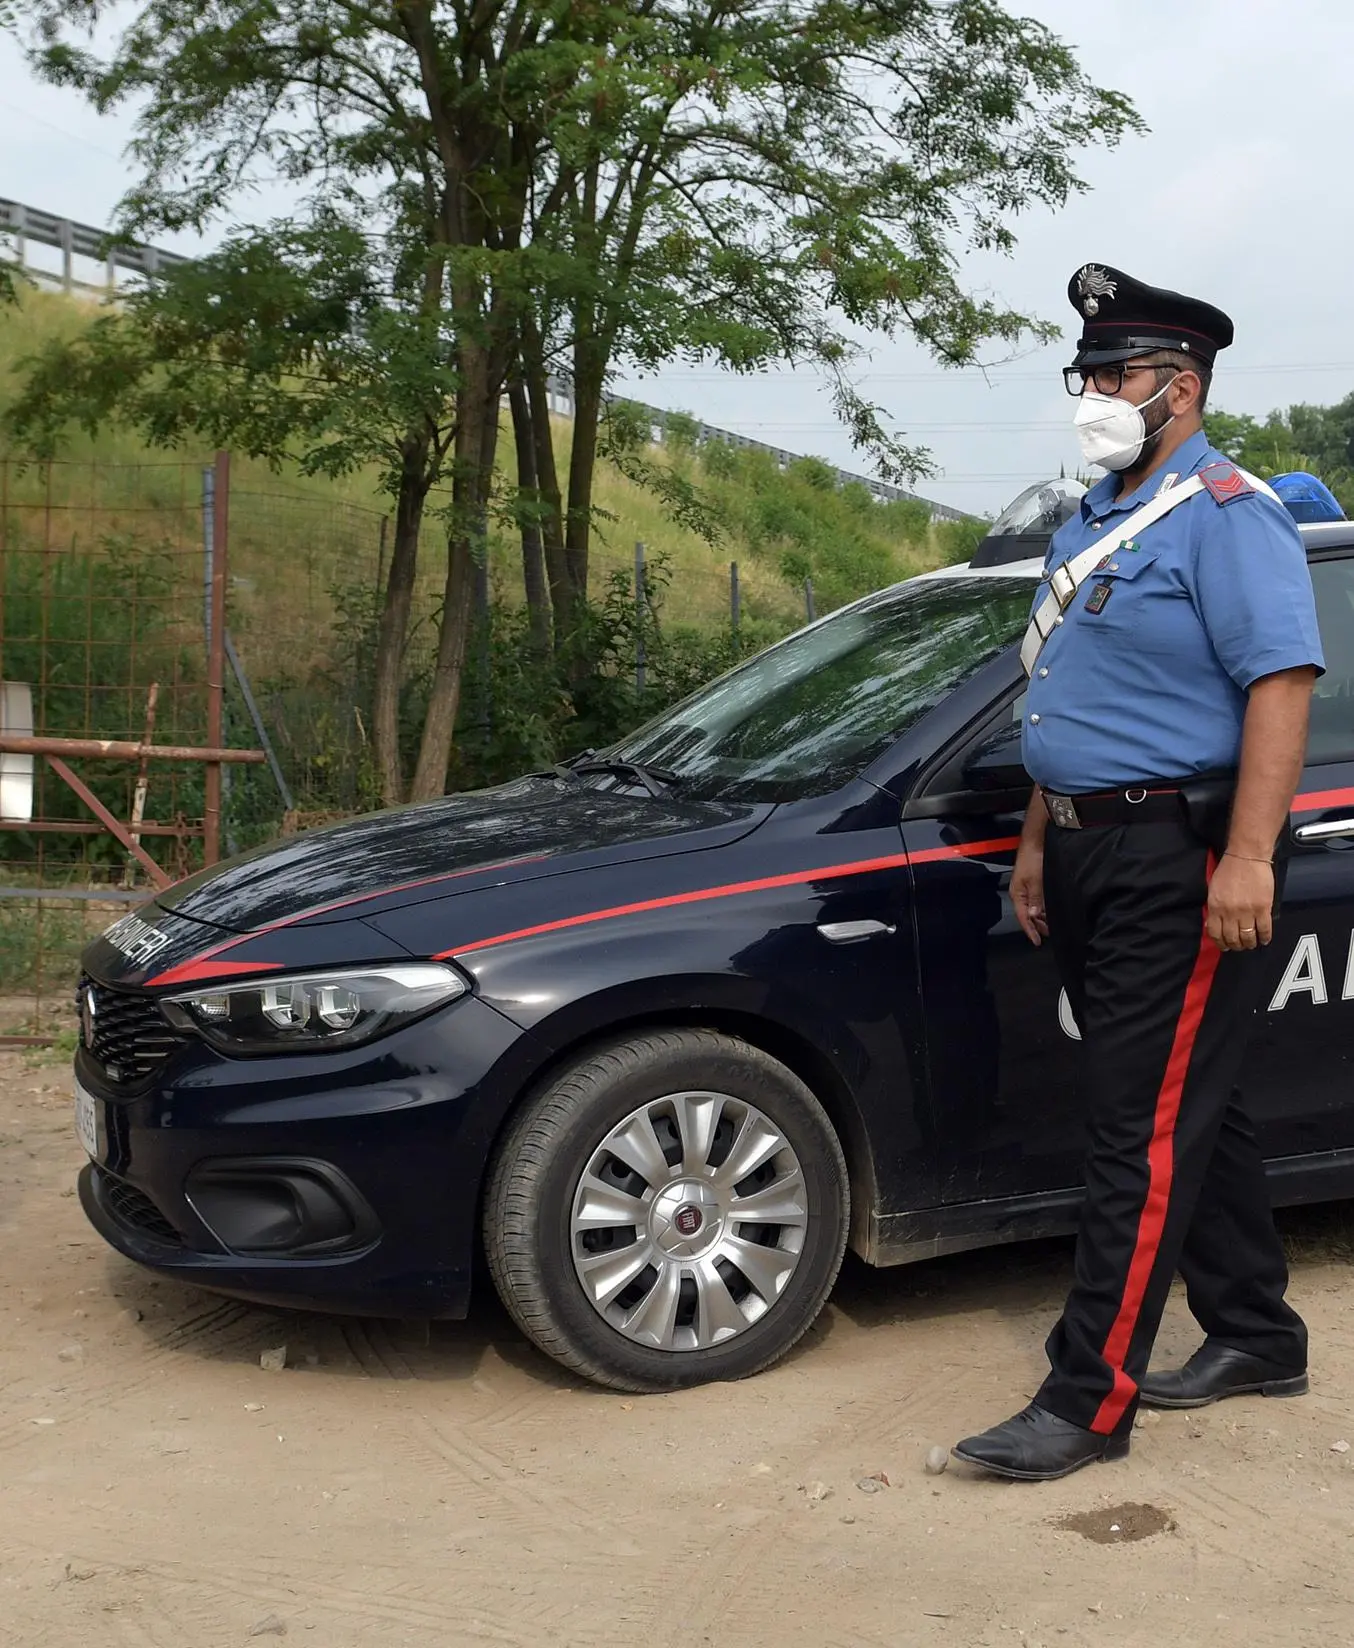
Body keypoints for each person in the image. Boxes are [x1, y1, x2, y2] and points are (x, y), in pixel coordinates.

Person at [951, 264, 1324, 1482]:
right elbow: (1073, 698)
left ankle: (1085, 1398)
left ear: (1183, 383)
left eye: (1115, 374)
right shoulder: (1091, 520)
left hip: (1179, 855)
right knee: (1186, 1109)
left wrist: (1251, 857)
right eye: (1088, 374)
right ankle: (1258, 1333)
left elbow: (1279, 685)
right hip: (1086, 843)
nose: (1094, 394)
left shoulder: (1227, 513)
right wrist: (1037, 839)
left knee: (1134, 1132)